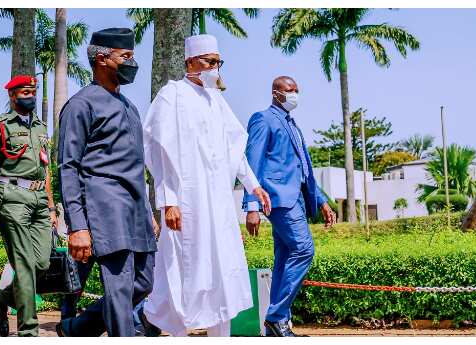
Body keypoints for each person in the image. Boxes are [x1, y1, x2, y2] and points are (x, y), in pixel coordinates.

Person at [140, 34, 271, 337]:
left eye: (218, 62)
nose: (215, 68)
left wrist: (253, 185)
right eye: (210, 62)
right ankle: (168, 329)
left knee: (222, 271)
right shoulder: (171, 96)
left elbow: (233, 148)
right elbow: (159, 152)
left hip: (218, 203)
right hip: (186, 203)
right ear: (190, 62)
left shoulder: (216, 100)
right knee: (183, 269)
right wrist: (167, 201)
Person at [55, 28, 157, 337]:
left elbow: (136, 166)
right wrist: (77, 225)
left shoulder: (130, 107)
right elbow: (68, 167)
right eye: (126, 57)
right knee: (120, 289)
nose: (131, 63)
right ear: (102, 59)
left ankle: (77, 329)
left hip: (136, 209)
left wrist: (148, 211)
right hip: (105, 207)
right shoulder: (80, 105)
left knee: (144, 283)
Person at [243, 76, 336, 336]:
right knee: (304, 250)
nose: (295, 94)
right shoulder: (263, 119)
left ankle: (275, 325)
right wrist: (252, 206)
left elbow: (303, 170)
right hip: (278, 199)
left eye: (297, 90)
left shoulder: (292, 124)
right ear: (276, 93)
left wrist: (321, 201)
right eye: (289, 90)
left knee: (284, 258)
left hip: (296, 199)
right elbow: (252, 162)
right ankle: (276, 316)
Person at [0, 75, 58, 337]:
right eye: (24, 92)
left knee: (41, 264)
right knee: (23, 264)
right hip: (11, 196)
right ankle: (28, 332)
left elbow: (45, 170)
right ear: (12, 96)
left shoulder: (41, 127)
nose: (29, 96)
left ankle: (0, 300)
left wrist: (52, 207)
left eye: (32, 91)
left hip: (38, 200)